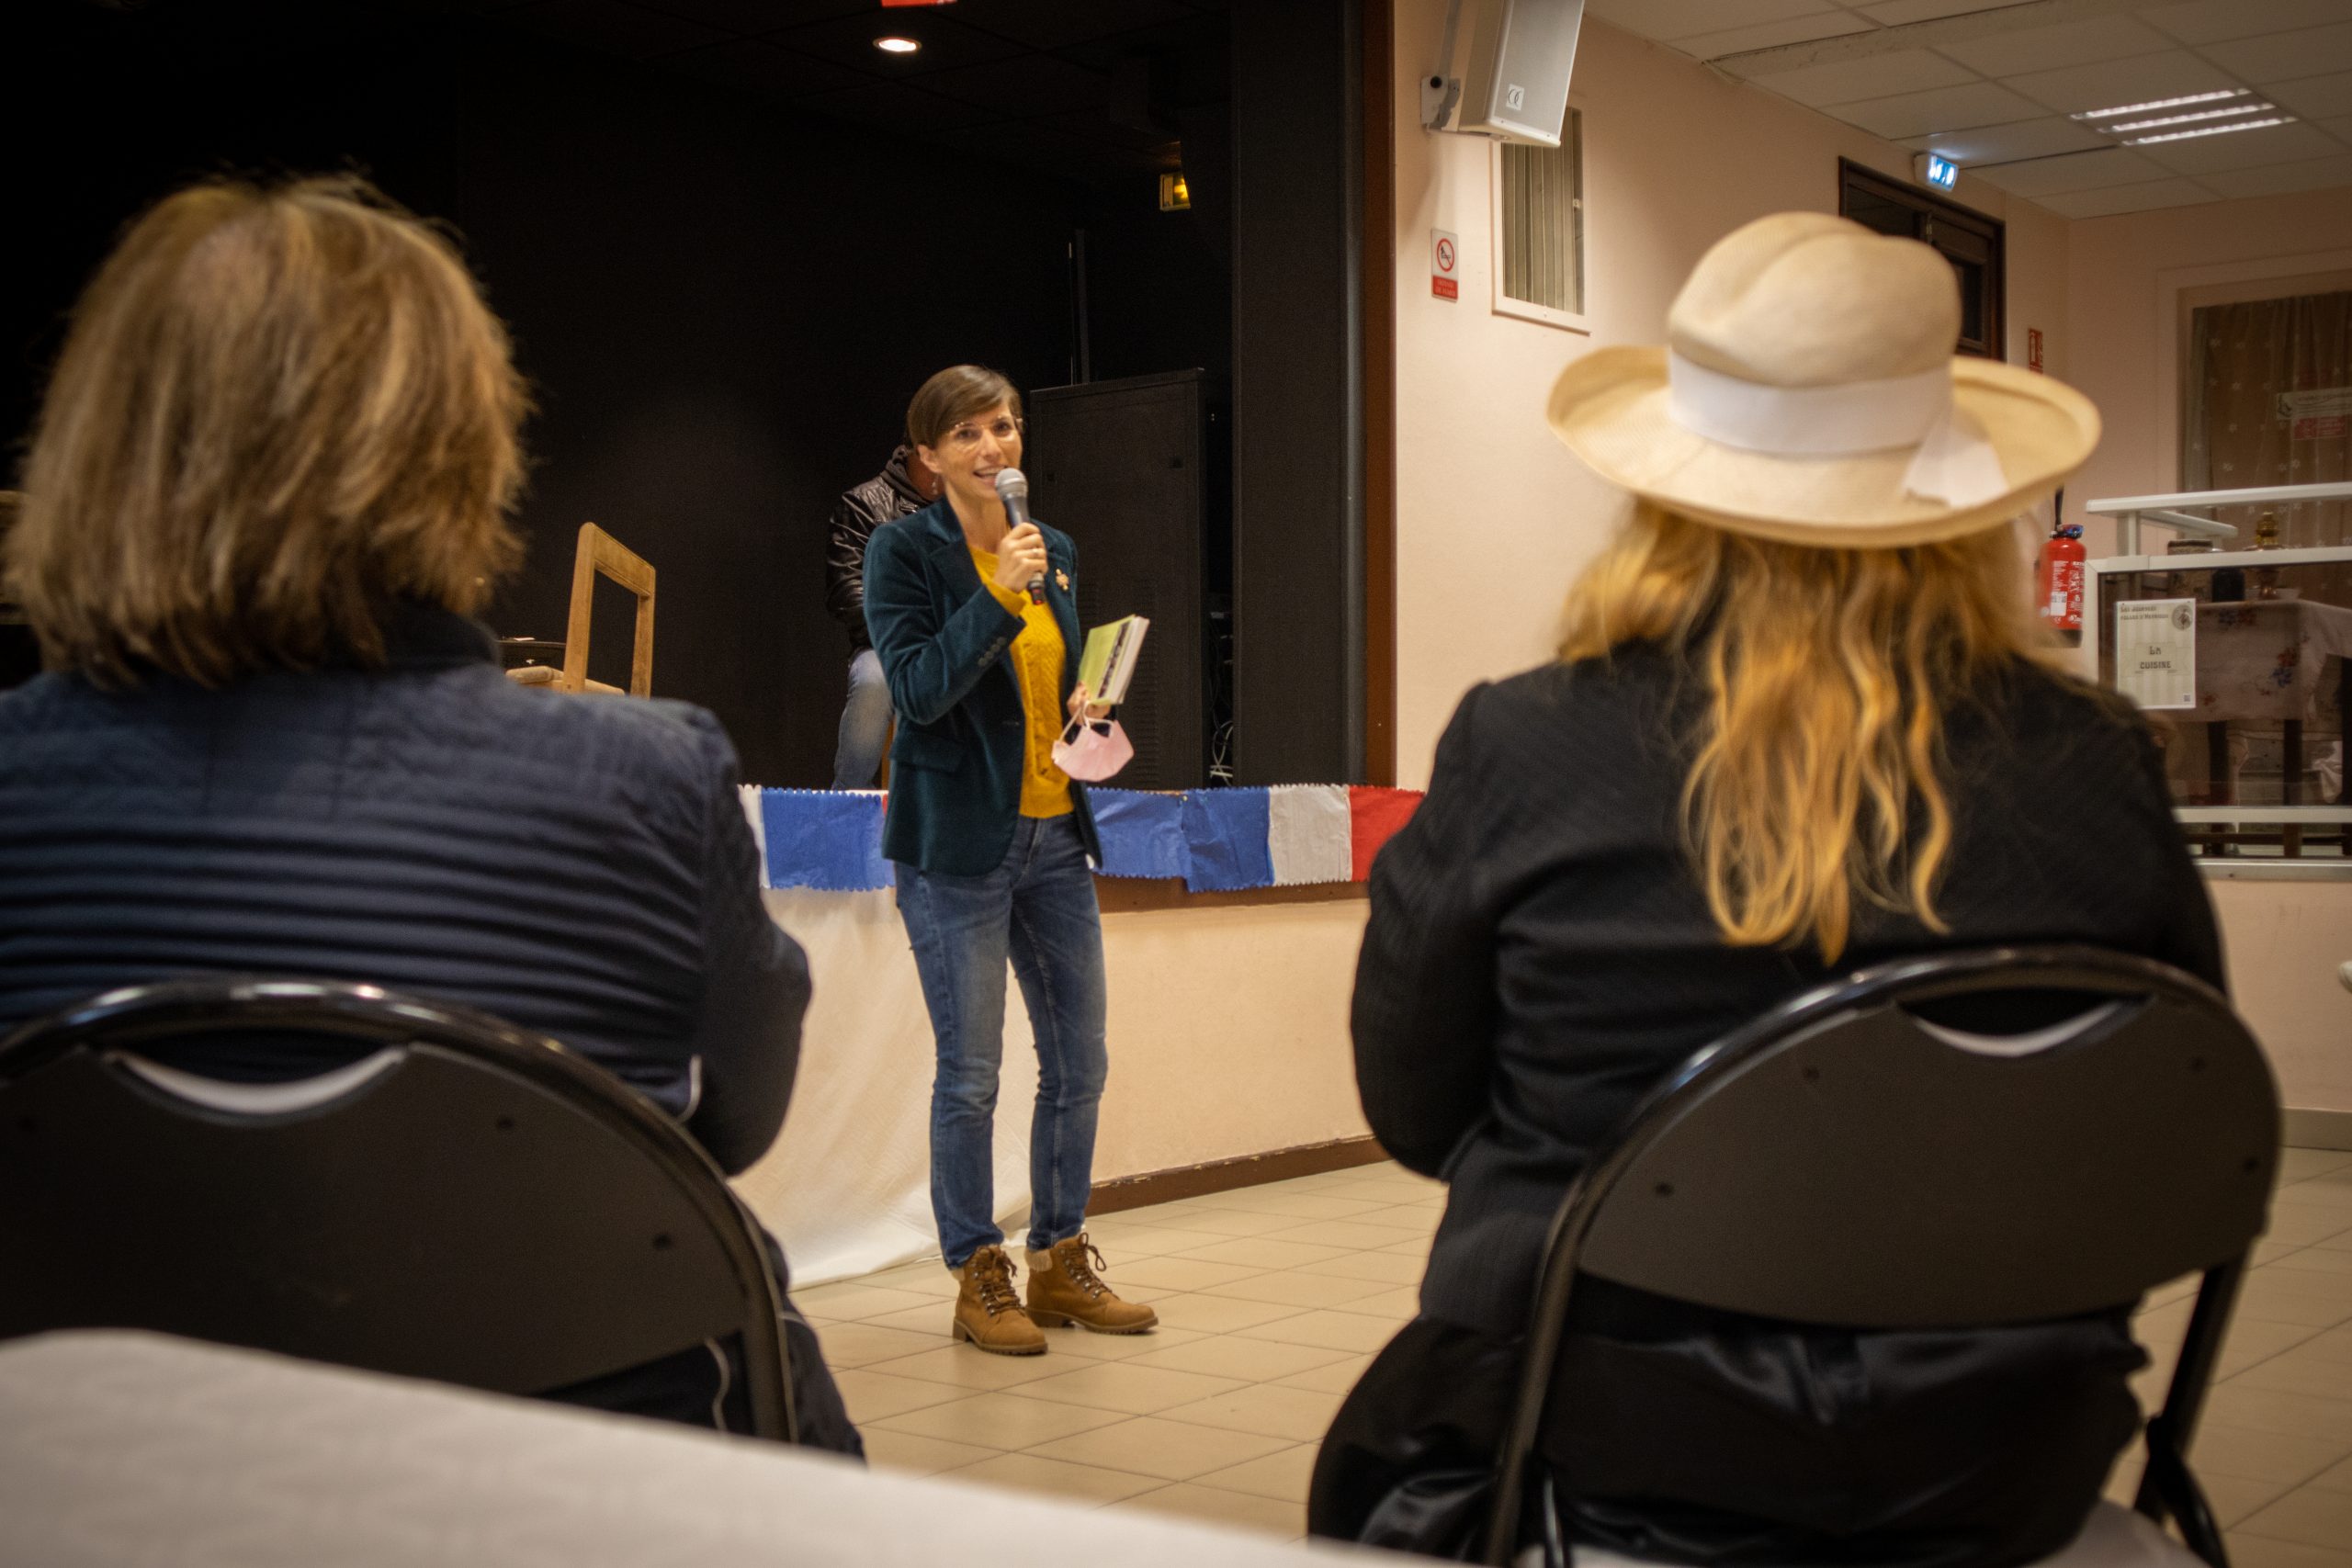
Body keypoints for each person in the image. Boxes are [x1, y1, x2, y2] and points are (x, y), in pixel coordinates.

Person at [1313, 213, 2224, 1566]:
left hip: (1608, 1431)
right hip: (2000, 1442)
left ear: (1667, 497)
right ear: (1956, 510)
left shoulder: (1525, 743)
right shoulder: (2095, 759)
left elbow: (1415, 1107)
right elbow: (2179, 1108)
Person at [0, 176, 859, 1453]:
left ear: (95, 451)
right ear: (460, 452)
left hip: (106, 1483)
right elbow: (738, 1123)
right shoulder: (649, 780)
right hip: (592, 1489)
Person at [861, 364, 1155, 1356]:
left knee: (1080, 1062)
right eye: (969, 434)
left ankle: (1059, 1258)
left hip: (1055, 833)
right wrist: (995, 592)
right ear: (929, 456)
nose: (994, 447)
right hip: (957, 845)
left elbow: (1050, 666)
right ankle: (976, 1271)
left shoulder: (1053, 548)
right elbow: (917, 691)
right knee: (972, 1073)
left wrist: (1086, 696)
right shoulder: (904, 551)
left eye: (1006, 426)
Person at [825, 443, 939, 788]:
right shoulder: (864, 502)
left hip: (949, 643)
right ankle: (849, 797)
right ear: (919, 450)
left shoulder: (966, 508)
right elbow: (846, 591)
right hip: (884, 643)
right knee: (875, 682)